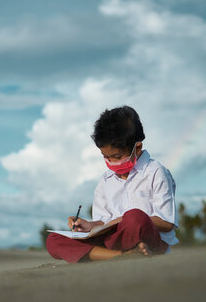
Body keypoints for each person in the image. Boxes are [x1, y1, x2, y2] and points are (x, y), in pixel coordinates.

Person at [46, 106, 179, 263]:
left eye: (117, 156)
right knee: (53, 239)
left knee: (134, 216)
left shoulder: (156, 172)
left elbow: (166, 222)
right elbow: (104, 223)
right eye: (106, 157)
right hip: (114, 242)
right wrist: (90, 225)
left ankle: (117, 253)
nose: (111, 162)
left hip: (151, 240)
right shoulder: (106, 180)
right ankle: (121, 256)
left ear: (137, 148)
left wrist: (122, 220)